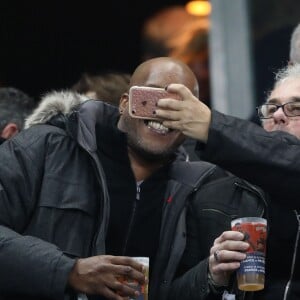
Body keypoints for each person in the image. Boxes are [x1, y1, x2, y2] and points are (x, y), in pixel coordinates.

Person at [0, 57, 266, 300]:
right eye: (149, 98)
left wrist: (209, 275)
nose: (162, 111)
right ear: (125, 102)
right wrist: (70, 271)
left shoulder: (197, 189)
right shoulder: (47, 147)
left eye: (180, 105)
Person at [156, 62, 300, 299]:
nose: (278, 115)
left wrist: (210, 125)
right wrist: (211, 275)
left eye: (295, 108)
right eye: (271, 107)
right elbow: (170, 292)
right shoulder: (212, 196)